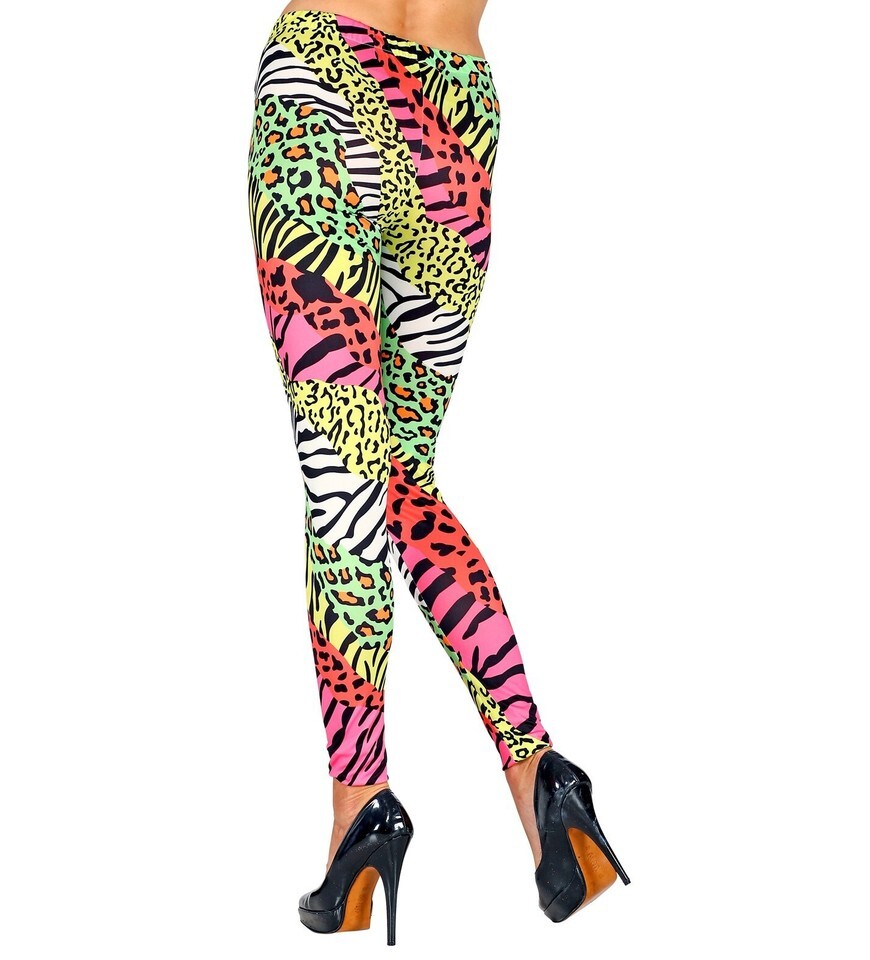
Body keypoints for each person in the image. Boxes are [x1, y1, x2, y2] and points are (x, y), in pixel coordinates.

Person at [246, 1, 630, 942]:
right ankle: (541, 778)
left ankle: (360, 808)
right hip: (457, 111)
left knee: (346, 482)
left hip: (324, 83)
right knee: (398, 476)